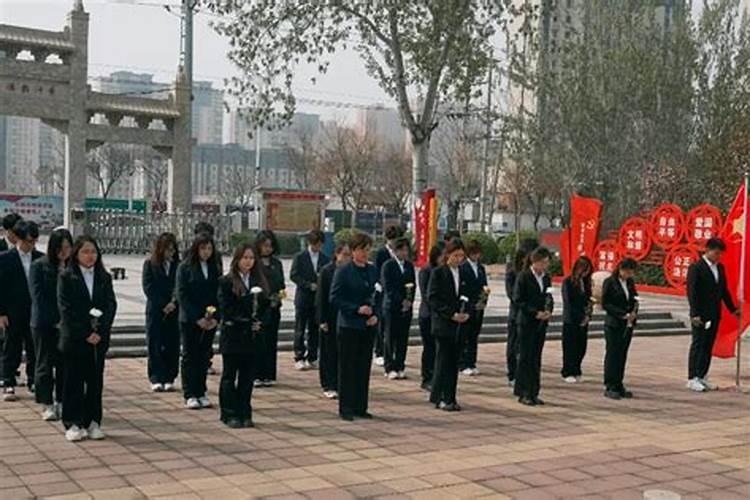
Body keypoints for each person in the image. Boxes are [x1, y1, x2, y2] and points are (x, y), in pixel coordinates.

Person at [58, 235, 117, 442]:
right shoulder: (66, 277)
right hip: (75, 338)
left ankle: (93, 421)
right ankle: (73, 423)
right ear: (76, 254)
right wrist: (85, 332)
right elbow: (67, 310)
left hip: (98, 339)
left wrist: (100, 331)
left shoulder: (104, 277)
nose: (90, 256)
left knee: (95, 381)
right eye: (85, 251)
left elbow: (110, 305)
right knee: (73, 381)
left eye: (93, 251)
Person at [217, 244, 270, 428]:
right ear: (237, 259)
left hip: (252, 337)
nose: (249, 262)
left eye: (251, 258)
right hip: (233, 335)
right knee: (230, 375)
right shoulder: (227, 281)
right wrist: (247, 320)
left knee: (247, 377)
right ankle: (229, 413)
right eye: (245, 258)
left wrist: (260, 321)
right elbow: (227, 310)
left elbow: (266, 306)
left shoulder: (259, 281)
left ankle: (244, 411)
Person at [330, 232, 379, 421]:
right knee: (348, 367)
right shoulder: (344, 270)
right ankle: (346, 407)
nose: (365, 253)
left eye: (368, 250)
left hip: (368, 325)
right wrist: (356, 309)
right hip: (349, 325)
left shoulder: (372, 270)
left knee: (363, 367)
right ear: (353, 251)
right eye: (361, 250)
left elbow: (378, 295)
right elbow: (334, 298)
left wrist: (375, 314)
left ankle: (361, 406)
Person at [29, 228, 73, 421]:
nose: (64, 251)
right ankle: (46, 403)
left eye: (68, 247)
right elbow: (38, 297)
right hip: (45, 323)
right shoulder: (40, 266)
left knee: (65, 364)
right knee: (44, 363)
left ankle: (62, 401)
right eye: (60, 247)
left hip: (66, 325)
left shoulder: (73, 268)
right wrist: (55, 319)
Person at [686, 238, 738, 392]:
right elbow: (692, 292)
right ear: (707, 250)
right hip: (700, 314)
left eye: (720, 254)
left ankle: (702, 375)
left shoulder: (720, 268)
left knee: (708, 345)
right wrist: (694, 313)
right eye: (716, 253)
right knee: (698, 344)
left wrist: (733, 309)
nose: (718, 256)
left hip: (714, 313)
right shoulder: (696, 268)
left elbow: (724, 290)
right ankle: (692, 377)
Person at [0, 220, 44, 400]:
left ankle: (33, 379)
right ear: (18, 239)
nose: (30, 245)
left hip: (35, 310)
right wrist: (1, 312)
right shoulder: (4, 258)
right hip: (12, 310)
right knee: (12, 346)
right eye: (27, 241)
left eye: (33, 241)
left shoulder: (40, 258)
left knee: (34, 346)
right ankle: (8, 381)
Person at [176, 233, 221, 410]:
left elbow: (219, 294)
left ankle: (201, 391)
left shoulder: (214, 267)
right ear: (196, 248)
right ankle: (190, 393)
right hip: (190, 320)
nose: (206, 252)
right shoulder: (185, 267)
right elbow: (182, 294)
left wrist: (215, 317)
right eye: (203, 248)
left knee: (203, 356)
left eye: (209, 248)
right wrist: (197, 318)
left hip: (209, 319)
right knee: (190, 356)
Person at [428, 238, 471, 411]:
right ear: (448, 255)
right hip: (444, 323)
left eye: (461, 256)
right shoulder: (438, 272)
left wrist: (466, 312)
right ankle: (440, 396)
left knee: (454, 362)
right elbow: (432, 298)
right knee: (443, 360)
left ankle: (451, 396)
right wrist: (450, 314)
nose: (459, 259)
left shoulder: (464, 273)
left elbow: (469, 295)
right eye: (456, 255)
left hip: (459, 324)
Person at [513, 246, 553, 406]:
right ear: (534, 261)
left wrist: (548, 310)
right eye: (543, 263)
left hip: (541, 323)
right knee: (525, 357)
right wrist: (534, 312)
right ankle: (523, 392)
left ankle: (534, 391)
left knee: (536, 357)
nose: (545, 266)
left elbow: (549, 296)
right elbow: (518, 299)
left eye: (547, 263)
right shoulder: (523, 276)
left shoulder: (546, 278)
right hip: (527, 321)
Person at [142, 232, 180, 393]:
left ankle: (170, 377)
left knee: (172, 344)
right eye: (166, 250)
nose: (169, 253)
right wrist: (163, 303)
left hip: (174, 310)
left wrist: (174, 302)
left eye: (172, 250)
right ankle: (156, 377)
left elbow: (181, 286)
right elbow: (148, 287)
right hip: (156, 310)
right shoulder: (150, 264)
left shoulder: (179, 265)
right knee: (155, 343)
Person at [316, 242, 351, 399]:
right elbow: (321, 297)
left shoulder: (350, 271)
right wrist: (322, 319)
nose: (347, 258)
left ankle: (340, 383)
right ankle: (328, 384)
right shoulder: (327, 271)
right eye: (344, 254)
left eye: (349, 255)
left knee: (342, 351)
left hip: (345, 317)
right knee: (328, 352)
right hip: (329, 316)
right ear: (336, 254)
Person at [290, 230, 329, 370]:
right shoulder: (300, 257)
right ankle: (299, 356)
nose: (318, 247)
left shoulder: (325, 258)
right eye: (316, 244)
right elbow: (294, 275)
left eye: (320, 245)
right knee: (300, 328)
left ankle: (312, 356)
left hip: (317, 299)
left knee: (314, 328)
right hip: (303, 297)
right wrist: (308, 285)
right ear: (310, 243)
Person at [601, 258, 639, 400]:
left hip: (627, 324)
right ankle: (610, 385)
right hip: (614, 323)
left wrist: (634, 313)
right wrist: (622, 314)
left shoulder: (629, 283)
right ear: (620, 269)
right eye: (627, 271)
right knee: (613, 354)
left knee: (622, 354)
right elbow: (606, 303)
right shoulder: (610, 282)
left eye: (632, 272)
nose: (629, 274)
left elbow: (634, 299)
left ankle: (619, 383)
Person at [505, 238, 539, 387]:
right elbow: (512, 295)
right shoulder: (513, 271)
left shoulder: (533, 273)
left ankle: (524, 375)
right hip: (517, 314)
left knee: (527, 348)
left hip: (531, 315)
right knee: (513, 345)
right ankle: (512, 373)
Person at [382, 237, 416, 380]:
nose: (404, 253)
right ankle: (389, 367)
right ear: (395, 251)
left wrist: (409, 301)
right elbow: (387, 287)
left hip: (406, 308)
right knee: (390, 337)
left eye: (406, 250)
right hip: (392, 306)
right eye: (401, 250)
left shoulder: (409, 266)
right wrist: (400, 301)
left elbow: (413, 285)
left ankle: (400, 365)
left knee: (403, 338)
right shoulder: (388, 265)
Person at [254, 230, 286, 387]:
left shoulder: (277, 263)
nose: (268, 249)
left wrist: (278, 298)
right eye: (265, 245)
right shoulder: (254, 262)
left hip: (273, 308)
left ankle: (269, 374)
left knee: (271, 341)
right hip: (258, 308)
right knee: (259, 340)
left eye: (270, 246)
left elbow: (281, 285)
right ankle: (257, 374)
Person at [561, 256, 593, 383]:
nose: (585, 273)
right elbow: (568, 302)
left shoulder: (586, 283)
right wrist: (580, 316)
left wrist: (588, 315)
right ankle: (568, 371)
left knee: (581, 346)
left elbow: (588, 300)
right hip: (571, 319)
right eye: (584, 270)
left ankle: (577, 369)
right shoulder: (568, 282)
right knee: (570, 347)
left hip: (583, 320)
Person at [373, 225, 403, 366]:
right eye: (392, 239)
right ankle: (379, 351)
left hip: (395, 291)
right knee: (381, 322)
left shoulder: (400, 253)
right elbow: (376, 270)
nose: (394, 242)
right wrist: (379, 284)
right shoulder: (381, 252)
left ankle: (392, 352)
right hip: (382, 291)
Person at [417, 242, 445, 391]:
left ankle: (437, 376)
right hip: (428, 315)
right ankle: (426, 377)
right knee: (429, 347)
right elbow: (427, 295)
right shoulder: (426, 271)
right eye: (441, 256)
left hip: (441, 316)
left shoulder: (444, 271)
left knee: (438, 348)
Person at [459, 239, 488, 376]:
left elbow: (484, 286)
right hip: (467, 305)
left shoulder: (481, 268)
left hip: (479, 306)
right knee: (465, 335)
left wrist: (483, 301)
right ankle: (463, 363)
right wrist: (470, 304)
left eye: (478, 253)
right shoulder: (463, 267)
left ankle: (472, 361)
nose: (477, 256)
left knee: (474, 336)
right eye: (474, 253)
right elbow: (462, 289)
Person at [0, 213, 22, 386]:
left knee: (13, 341)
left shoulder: (23, 250)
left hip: (17, 306)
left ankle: (11, 373)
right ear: (7, 231)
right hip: (3, 303)